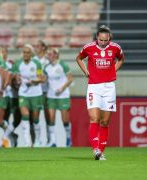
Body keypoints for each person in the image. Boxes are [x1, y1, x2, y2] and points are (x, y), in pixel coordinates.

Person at [76, 25, 124, 160]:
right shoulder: (89, 47)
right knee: (94, 118)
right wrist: (85, 71)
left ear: (109, 39)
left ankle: (101, 151)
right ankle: (96, 149)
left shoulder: (115, 48)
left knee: (105, 121)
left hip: (109, 87)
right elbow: (79, 58)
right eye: (101, 40)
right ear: (97, 38)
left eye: (105, 40)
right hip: (94, 87)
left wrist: (113, 70)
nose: (103, 43)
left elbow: (121, 59)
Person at [11, 44, 43, 147]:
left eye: (27, 52)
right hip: (23, 93)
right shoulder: (18, 64)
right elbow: (15, 77)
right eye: (24, 52)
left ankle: (38, 141)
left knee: (35, 118)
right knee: (25, 116)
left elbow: (40, 78)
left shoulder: (37, 63)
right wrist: (17, 80)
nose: (25, 54)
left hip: (36, 93)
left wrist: (33, 81)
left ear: (31, 53)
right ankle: (27, 142)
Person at [43, 48, 73, 147]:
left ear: (56, 55)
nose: (48, 55)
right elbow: (44, 80)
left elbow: (70, 79)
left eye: (50, 54)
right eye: (47, 54)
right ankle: (53, 141)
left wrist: (62, 88)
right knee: (51, 118)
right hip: (51, 96)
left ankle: (68, 138)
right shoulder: (46, 67)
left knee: (65, 119)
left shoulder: (63, 65)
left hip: (63, 96)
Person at [33, 40, 50, 145]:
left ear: (44, 47)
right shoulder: (33, 60)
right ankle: (37, 140)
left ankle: (49, 140)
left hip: (46, 90)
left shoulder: (48, 60)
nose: (37, 47)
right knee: (36, 116)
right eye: (36, 46)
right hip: (35, 90)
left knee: (48, 116)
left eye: (39, 46)